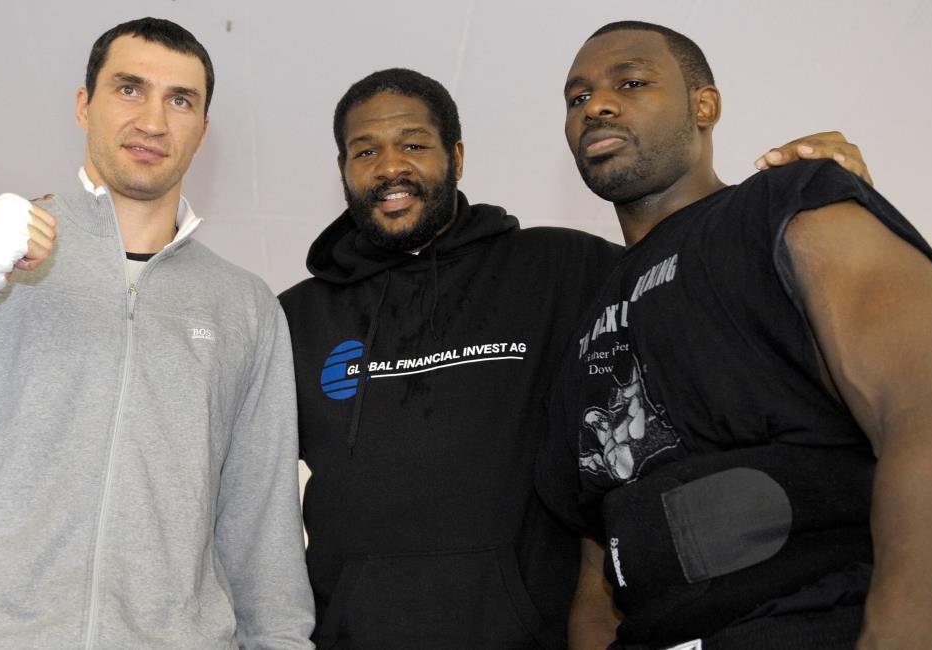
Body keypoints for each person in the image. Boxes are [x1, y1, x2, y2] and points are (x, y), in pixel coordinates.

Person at [278, 67, 872, 649]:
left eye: (413, 144)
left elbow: (696, 280)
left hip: (535, 635)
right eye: (365, 151)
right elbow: (248, 499)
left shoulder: (560, 267)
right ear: (343, 168)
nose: (390, 167)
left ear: (456, 156)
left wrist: (801, 208)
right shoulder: (291, 318)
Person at [0, 17, 313, 649]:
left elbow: (262, 529)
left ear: (202, 130)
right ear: (84, 105)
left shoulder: (243, 306)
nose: (153, 121)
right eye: (129, 89)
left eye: (180, 100)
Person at [537, 20, 932, 650]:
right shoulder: (587, 320)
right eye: (577, 97)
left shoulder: (791, 202)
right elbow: (596, 571)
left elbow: (931, 424)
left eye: (632, 82)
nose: (597, 106)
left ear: (704, 106)